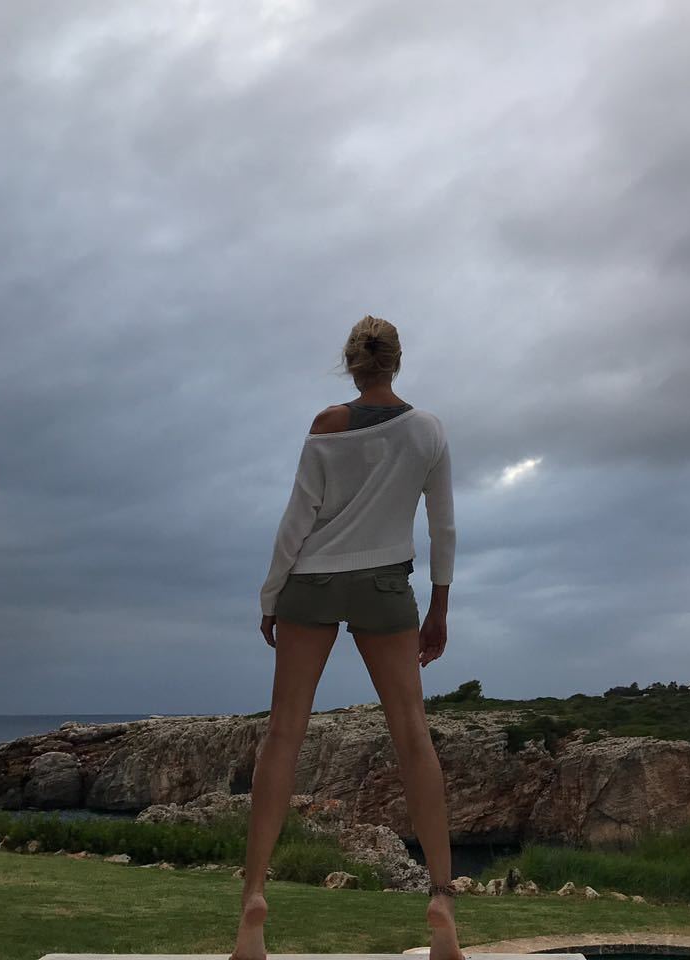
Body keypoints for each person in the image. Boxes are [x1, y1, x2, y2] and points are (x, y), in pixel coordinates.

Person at [230, 315, 464, 960]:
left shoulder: (327, 425)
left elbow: (297, 518)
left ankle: (254, 898)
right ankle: (442, 898)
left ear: (352, 363)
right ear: (396, 361)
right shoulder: (428, 430)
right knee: (412, 734)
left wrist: (271, 597)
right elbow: (443, 527)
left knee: (283, 733)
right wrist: (439, 607)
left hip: (310, 580)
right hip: (386, 584)